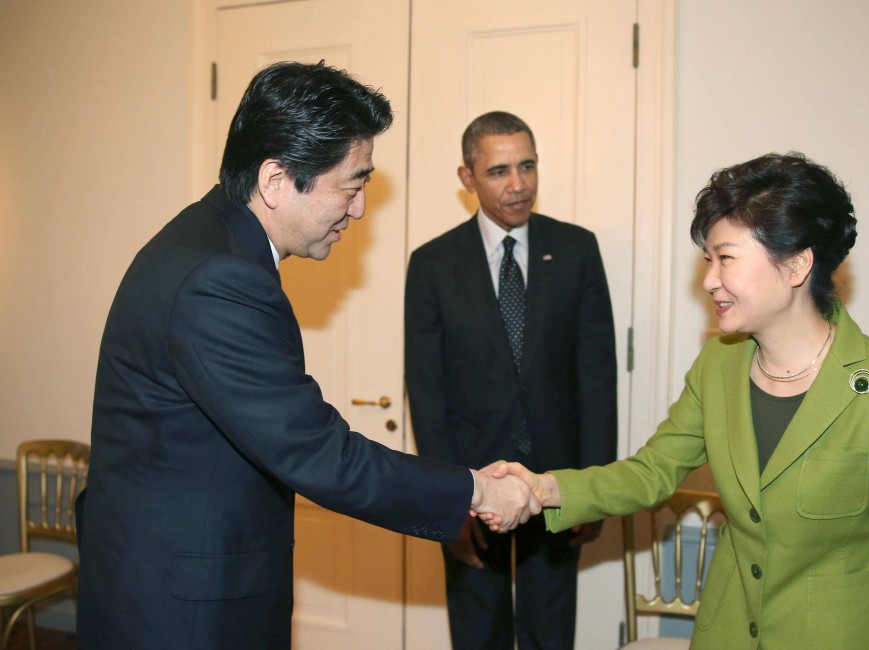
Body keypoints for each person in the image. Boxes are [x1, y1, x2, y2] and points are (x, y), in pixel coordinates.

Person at [75, 62, 537, 650]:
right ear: (276, 180)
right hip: (182, 609)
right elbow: (320, 454)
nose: (361, 207)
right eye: (351, 183)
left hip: (173, 580)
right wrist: (475, 490)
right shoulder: (217, 278)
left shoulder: (210, 243)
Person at [497, 153, 869, 648]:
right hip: (728, 631)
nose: (709, 279)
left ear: (796, 263)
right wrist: (540, 489)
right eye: (708, 259)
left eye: (725, 257)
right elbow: (650, 473)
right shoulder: (719, 366)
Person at [404, 111, 617, 650]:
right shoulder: (431, 264)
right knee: (479, 633)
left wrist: (592, 486)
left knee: (551, 632)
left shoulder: (577, 250)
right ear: (467, 177)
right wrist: (444, 503)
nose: (518, 184)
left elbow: (597, 375)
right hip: (472, 489)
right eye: (499, 171)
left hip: (557, 486)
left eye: (527, 166)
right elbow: (427, 392)